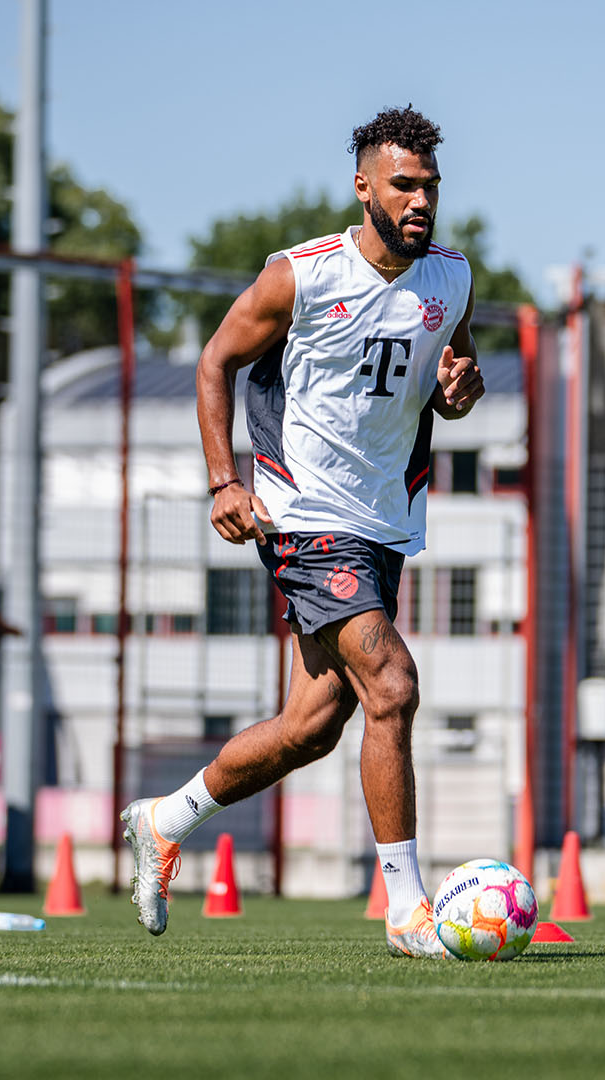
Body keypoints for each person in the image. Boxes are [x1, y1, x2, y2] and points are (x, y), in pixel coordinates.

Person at [120, 105, 483, 958]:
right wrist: (223, 480)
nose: (420, 199)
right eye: (404, 184)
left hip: (383, 522)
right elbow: (215, 362)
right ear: (364, 188)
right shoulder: (301, 275)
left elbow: (447, 382)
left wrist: (459, 392)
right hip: (306, 515)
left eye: (429, 185)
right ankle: (408, 913)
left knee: (313, 727)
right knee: (391, 684)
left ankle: (164, 819)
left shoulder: (453, 278)